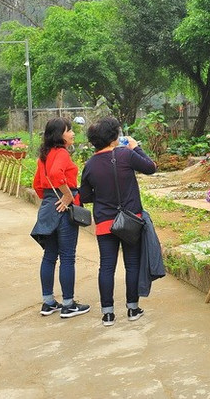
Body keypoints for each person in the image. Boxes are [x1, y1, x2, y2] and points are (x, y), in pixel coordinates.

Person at [79, 117, 157, 326]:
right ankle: (132, 309)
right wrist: (136, 148)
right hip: (131, 220)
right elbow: (151, 167)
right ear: (114, 137)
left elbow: (85, 196)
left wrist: (102, 196)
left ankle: (108, 314)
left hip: (105, 222)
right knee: (131, 265)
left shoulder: (90, 164)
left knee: (106, 266)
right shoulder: (126, 155)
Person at [30, 118, 90, 319]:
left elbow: (38, 185)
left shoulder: (44, 156)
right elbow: (57, 174)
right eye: (69, 130)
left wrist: (49, 201)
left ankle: (48, 302)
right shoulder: (62, 153)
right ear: (59, 135)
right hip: (63, 208)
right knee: (67, 257)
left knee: (49, 257)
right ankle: (68, 304)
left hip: (48, 207)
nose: (72, 133)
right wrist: (67, 196)